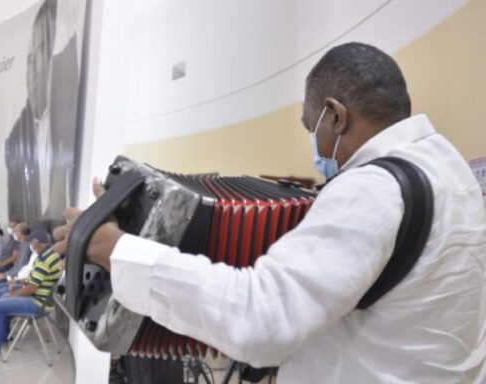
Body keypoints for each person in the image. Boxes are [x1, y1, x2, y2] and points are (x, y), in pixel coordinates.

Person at [53, 42, 486, 383]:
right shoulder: (451, 171)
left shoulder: (371, 191)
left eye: (310, 126)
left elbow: (261, 320)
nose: (314, 145)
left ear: (335, 116)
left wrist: (118, 250)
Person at [5, 0, 80, 228]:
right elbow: (15, 212)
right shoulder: (16, 139)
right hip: (33, 235)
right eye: (29, 58)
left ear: (51, 58)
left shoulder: (68, 102)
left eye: (41, 51)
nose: (34, 66)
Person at [0, 228, 61, 361]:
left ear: (37, 243)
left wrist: (15, 294)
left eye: (32, 242)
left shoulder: (44, 261)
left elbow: (31, 288)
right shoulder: (50, 255)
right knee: (2, 298)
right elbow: (34, 280)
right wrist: (18, 282)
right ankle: (2, 339)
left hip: (38, 303)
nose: (30, 245)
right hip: (40, 297)